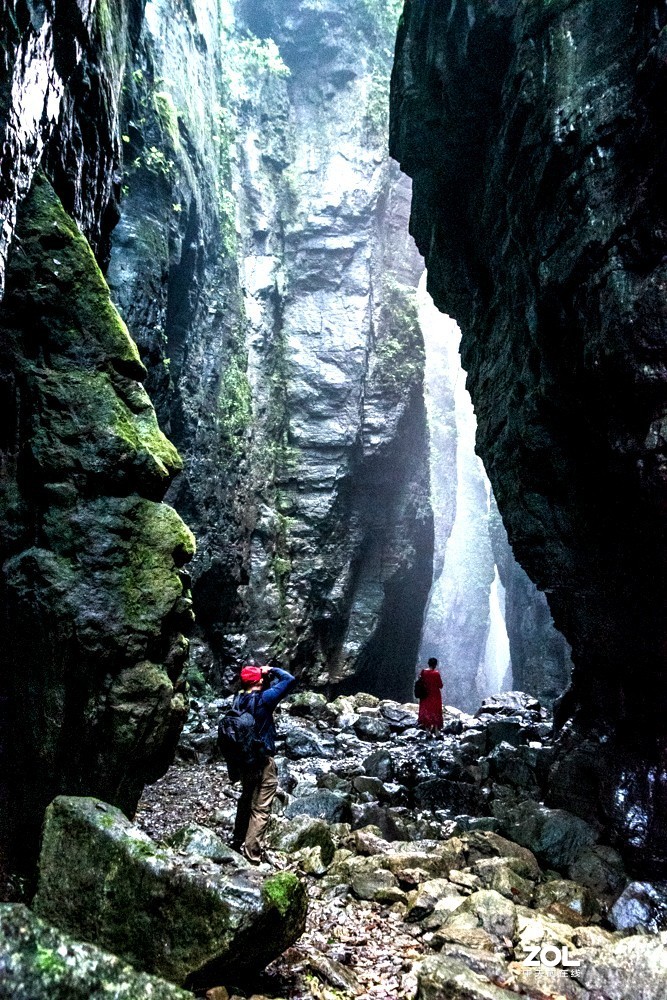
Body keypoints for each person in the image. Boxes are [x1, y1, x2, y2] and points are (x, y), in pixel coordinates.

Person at [232, 663, 296, 863]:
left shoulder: (238, 700)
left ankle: (237, 840)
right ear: (259, 681)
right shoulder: (265, 700)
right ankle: (252, 853)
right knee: (260, 807)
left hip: (245, 760)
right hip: (263, 761)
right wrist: (271, 670)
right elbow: (289, 680)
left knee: (246, 800)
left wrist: (261, 677)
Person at [416, 656, 443, 734]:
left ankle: (427, 733)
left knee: (426, 712)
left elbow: (420, 681)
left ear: (428, 664)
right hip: (435, 696)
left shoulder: (423, 672)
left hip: (425, 695)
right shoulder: (436, 673)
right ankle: (437, 732)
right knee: (435, 712)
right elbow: (440, 685)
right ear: (435, 665)